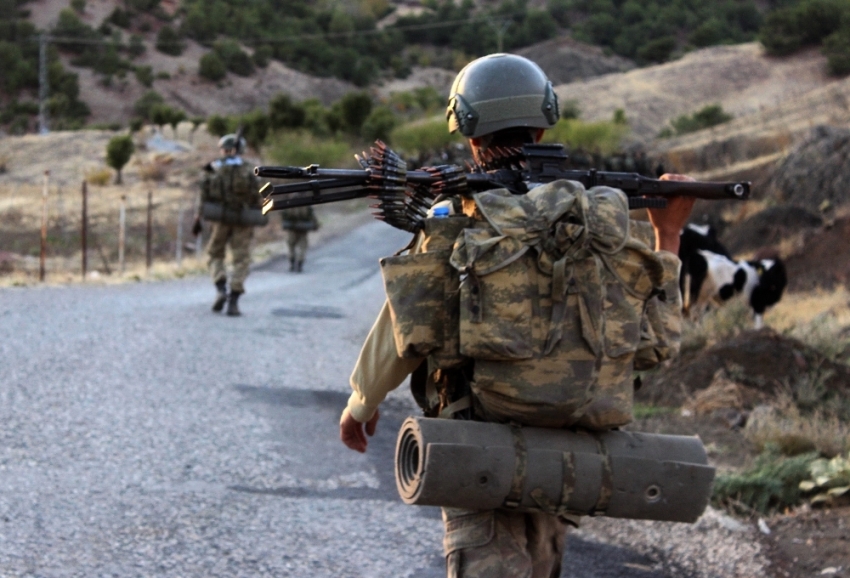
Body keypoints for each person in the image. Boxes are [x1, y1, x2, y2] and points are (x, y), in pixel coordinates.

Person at [339, 53, 696, 578]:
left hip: (479, 443)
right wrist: (669, 235)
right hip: (569, 452)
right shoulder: (602, 225)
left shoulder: (459, 219)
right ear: (545, 121)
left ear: (470, 134)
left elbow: (404, 326)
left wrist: (362, 402)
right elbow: (656, 345)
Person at [192, 133, 264, 316]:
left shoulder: (211, 168)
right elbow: (260, 196)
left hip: (219, 219)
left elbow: (203, 195)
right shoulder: (251, 170)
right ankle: (234, 299)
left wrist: (198, 217)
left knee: (215, 254)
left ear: (223, 149)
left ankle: (220, 287)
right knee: (242, 259)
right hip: (243, 219)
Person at [279, 205, 319, 272]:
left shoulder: (289, 203)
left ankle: (292, 263)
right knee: (302, 247)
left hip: (292, 228)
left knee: (291, 246)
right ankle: (299, 264)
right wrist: (315, 225)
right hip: (303, 229)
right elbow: (312, 216)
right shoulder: (306, 204)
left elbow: (284, 215)